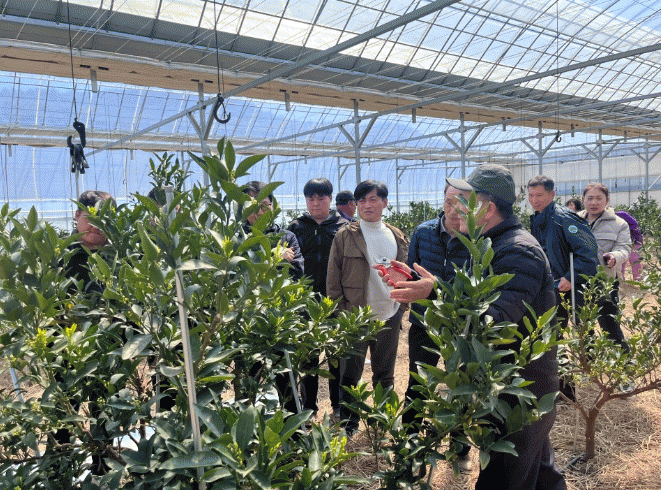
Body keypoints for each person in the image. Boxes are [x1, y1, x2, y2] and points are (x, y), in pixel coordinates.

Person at [385, 165, 566, 490]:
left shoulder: (517, 251)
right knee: (541, 477)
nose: (457, 209)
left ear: (487, 208)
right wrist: (420, 285)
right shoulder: (489, 244)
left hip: (519, 391)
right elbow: (471, 298)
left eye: (465, 202)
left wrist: (436, 293)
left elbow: (495, 322)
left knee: (504, 479)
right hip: (505, 385)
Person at [326, 180, 409, 435]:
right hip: (356, 316)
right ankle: (349, 424)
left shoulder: (396, 236)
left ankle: (383, 421)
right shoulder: (345, 236)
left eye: (373, 199)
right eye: (361, 200)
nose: (367, 205)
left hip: (389, 314)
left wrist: (401, 308)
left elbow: (405, 274)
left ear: (384, 203)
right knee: (350, 375)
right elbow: (333, 278)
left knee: (384, 374)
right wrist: (341, 313)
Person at [402, 184, 472, 468]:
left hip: (461, 325)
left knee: (462, 385)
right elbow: (411, 271)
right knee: (418, 382)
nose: (454, 209)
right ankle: (409, 443)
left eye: (463, 202)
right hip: (424, 321)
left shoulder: (477, 238)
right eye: (449, 201)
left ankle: (460, 448)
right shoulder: (423, 232)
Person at [528, 176, 599, 400]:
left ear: (552, 194)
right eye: (531, 195)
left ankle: (568, 391)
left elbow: (589, 254)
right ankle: (558, 389)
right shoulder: (538, 218)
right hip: (547, 287)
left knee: (558, 338)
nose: (534, 200)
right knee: (549, 337)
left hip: (565, 288)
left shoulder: (564, 219)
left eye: (539, 195)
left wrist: (570, 277)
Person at [239, 181, 304, 412]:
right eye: (251, 206)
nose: (258, 211)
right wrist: (275, 258)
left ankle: (293, 425)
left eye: (264, 205)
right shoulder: (237, 238)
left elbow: (297, 273)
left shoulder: (286, 237)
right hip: (246, 322)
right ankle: (247, 424)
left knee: (286, 380)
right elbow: (237, 273)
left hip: (279, 320)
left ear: (273, 207)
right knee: (247, 381)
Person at [288, 178, 349, 417]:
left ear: (330, 199)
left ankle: (337, 405)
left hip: (335, 300)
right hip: (306, 301)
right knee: (308, 355)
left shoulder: (343, 227)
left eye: (321, 198)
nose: (315, 203)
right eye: (310, 198)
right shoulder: (295, 227)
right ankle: (309, 407)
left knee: (336, 355)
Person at [578, 184, 632, 354]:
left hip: (606, 281)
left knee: (610, 325)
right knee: (583, 326)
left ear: (607, 200)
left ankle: (624, 364)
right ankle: (589, 363)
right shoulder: (573, 220)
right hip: (579, 281)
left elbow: (625, 248)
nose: (594, 202)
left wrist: (614, 256)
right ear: (583, 200)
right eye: (590, 198)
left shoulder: (619, 224)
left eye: (599, 198)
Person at [615, 210, 643, 281]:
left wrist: (625, 229)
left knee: (634, 258)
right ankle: (621, 278)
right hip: (622, 240)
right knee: (621, 258)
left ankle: (637, 277)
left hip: (635, 239)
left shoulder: (621, 214)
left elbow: (635, 223)